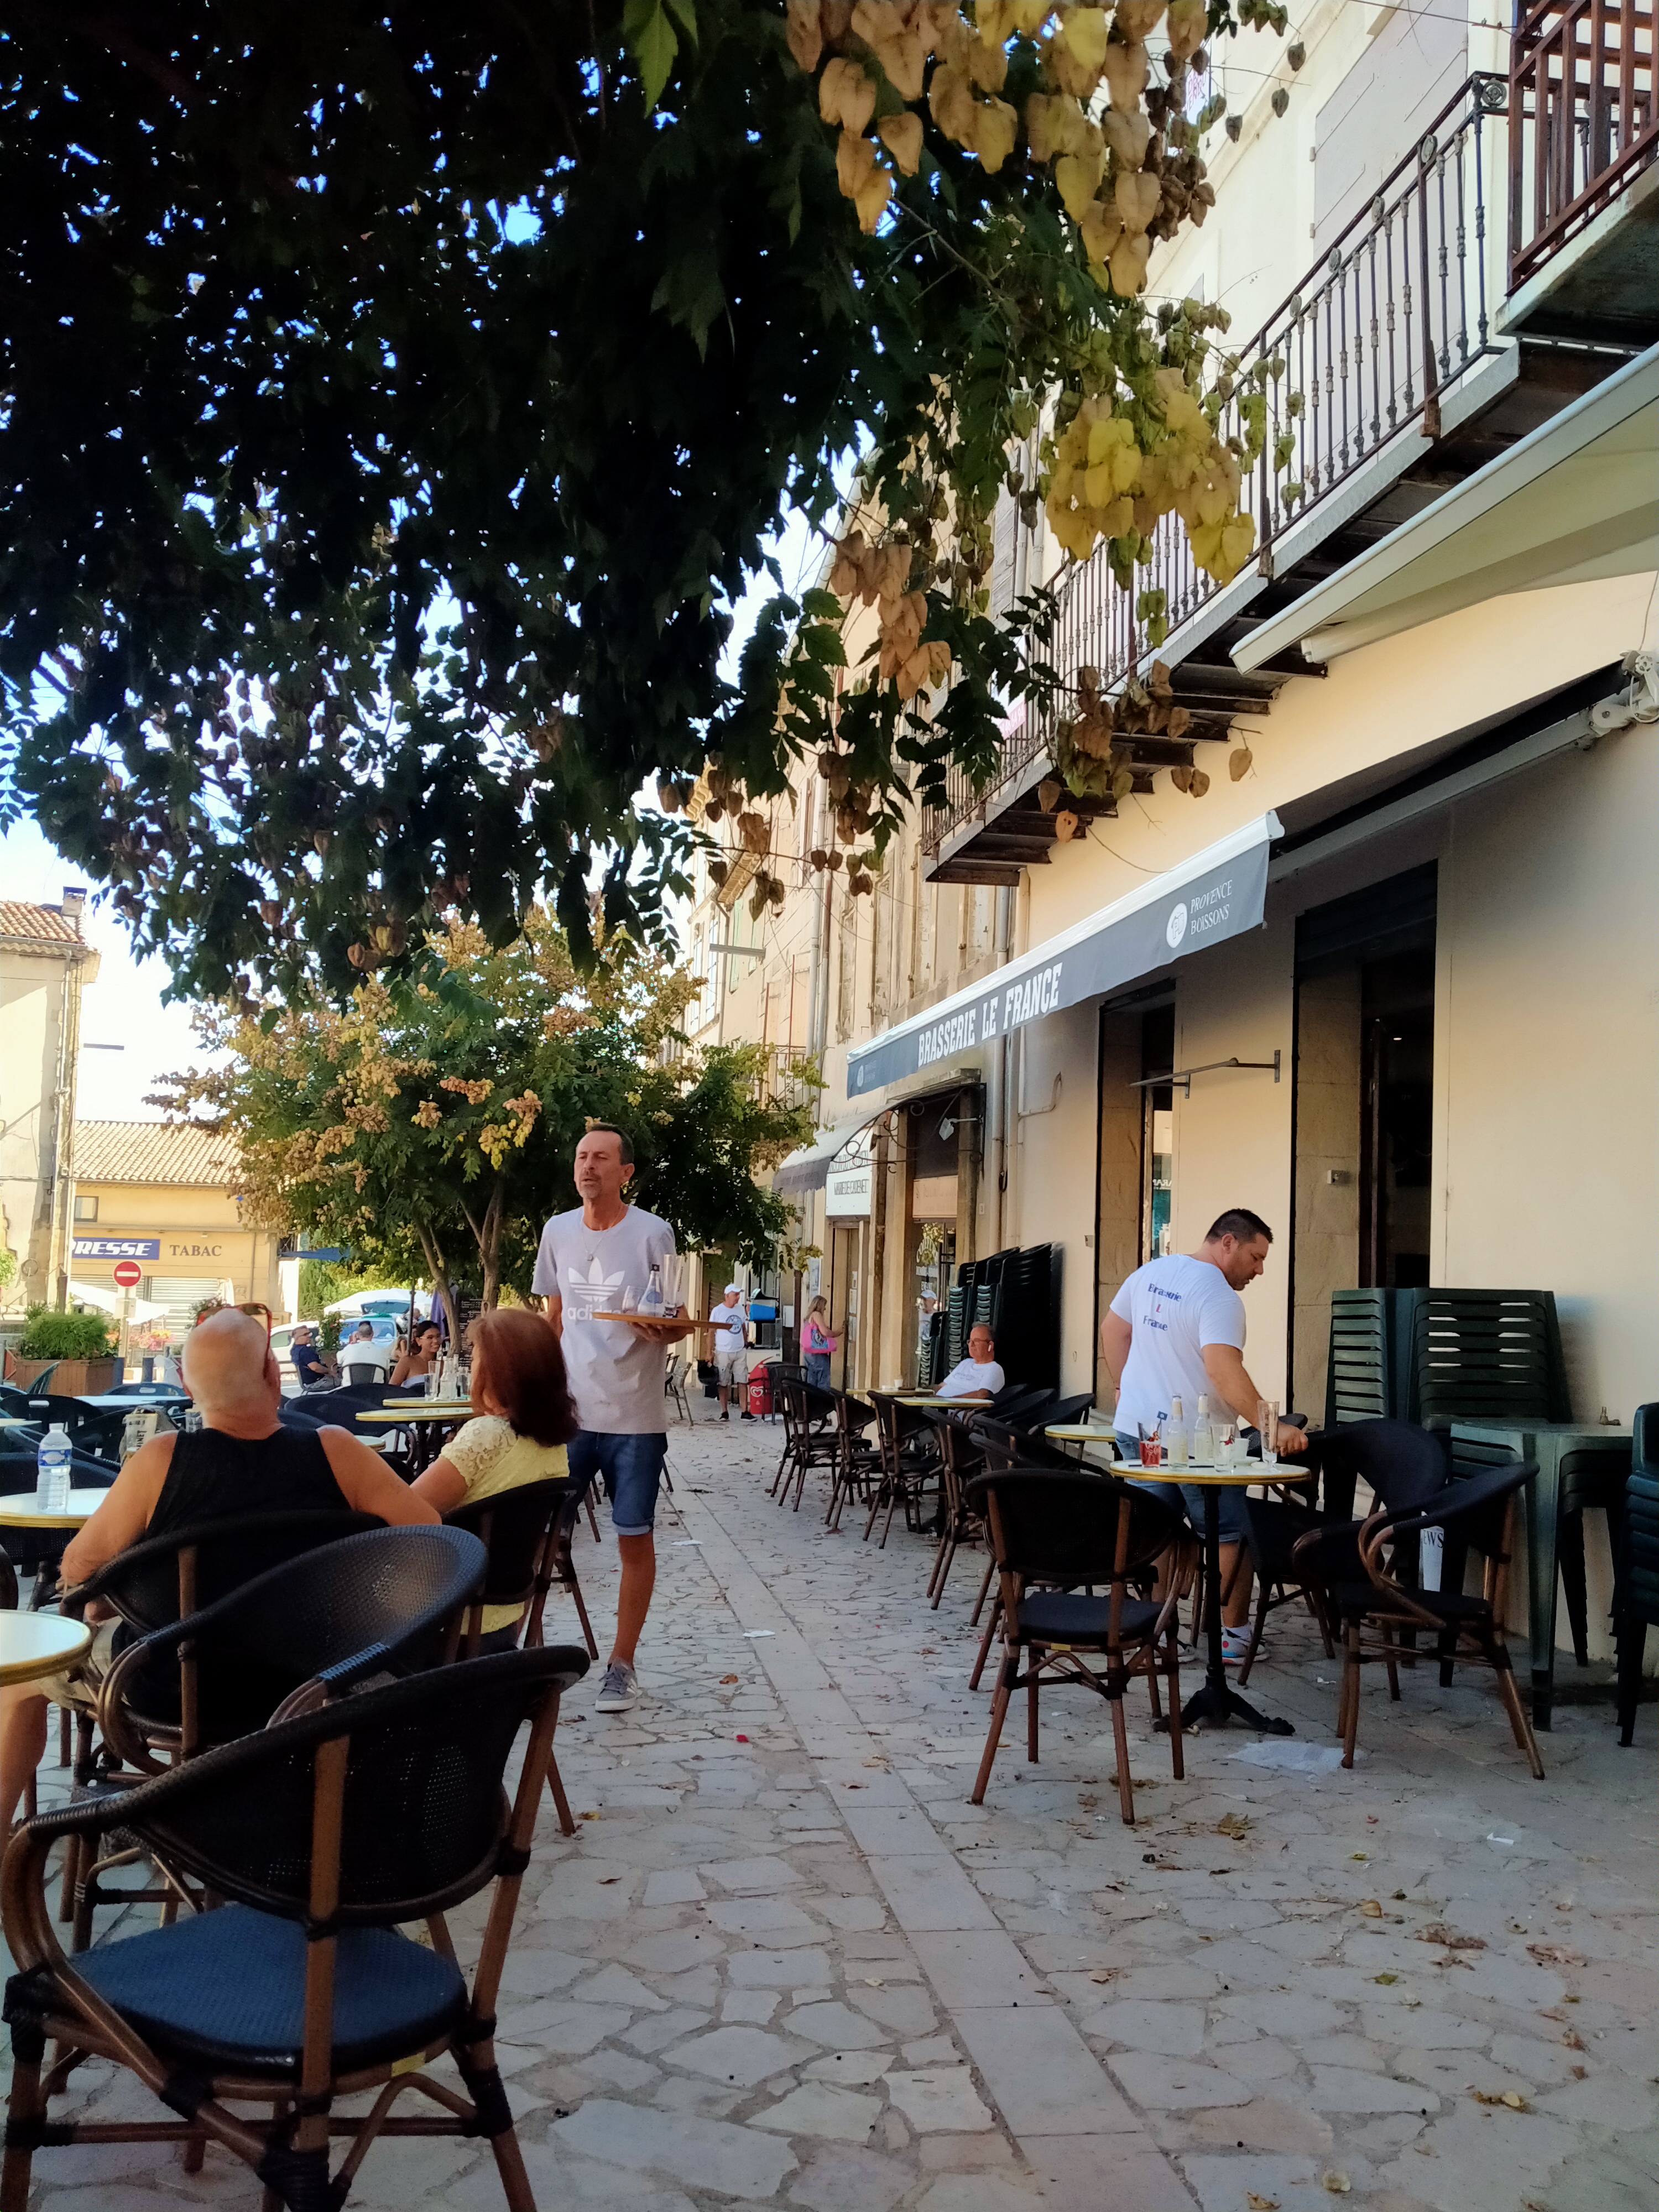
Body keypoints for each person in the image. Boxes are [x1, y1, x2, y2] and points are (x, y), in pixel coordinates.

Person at [0, 1307, 437, 1835]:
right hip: (313, 1687)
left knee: (18, 1681)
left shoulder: (159, 1460)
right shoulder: (338, 1452)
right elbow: (431, 1536)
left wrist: (109, 1598)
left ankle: (7, 1841)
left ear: (186, 1387)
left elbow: (78, 1567)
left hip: (169, 1688)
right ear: (272, 1373)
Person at [1098, 1207, 1307, 1667]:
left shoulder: (1151, 1272)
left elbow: (1113, 1330)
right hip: (1198, 1442)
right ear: (1228, 1242)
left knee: (1158, 1531)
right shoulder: (1218, 1296)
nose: (1259, 1270)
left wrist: (1123, 1386)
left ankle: (1156, 1634)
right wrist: (1272, 1427)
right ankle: (1233, 1638)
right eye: (1255, 1257)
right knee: (1229, 1533)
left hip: (1140, 1428)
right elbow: (1223, 1371)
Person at [533, 1124, 691, 1715]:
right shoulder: (557, 1231)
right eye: (582, 1156)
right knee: (539, 1536)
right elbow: (553, 1318)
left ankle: (621, 1667)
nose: (588, 1166)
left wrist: (662, 1330)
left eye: (601, 1157)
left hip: (635, 1416)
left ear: (625, 1172)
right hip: (571, 1415)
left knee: (633, 1537)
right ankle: (522, 1661)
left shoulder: (652, 1232)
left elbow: (678, 1318)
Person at [409, 1309, 579, 1647]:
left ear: (496, 1372)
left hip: (440, 1622)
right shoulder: (554, 1446)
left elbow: (405, 1512)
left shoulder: (487, 1435)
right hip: (501, 1622)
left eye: (475, 1359)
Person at [936, 1322, 1004, 1402]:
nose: (971, 1345)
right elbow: (941, 1386)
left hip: (954, 1407)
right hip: (937, 1403)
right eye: (970, 1341)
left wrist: (949, 1400)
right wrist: (926, 1392)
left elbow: (983, 1395)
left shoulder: (994, 1369)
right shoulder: (966, 1363)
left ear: (990, 1345)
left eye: (976, 1341)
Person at [713, 1283, 751, 1421]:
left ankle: (744, 1411)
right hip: (723, 1350)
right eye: (736, 1294)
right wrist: (708, 1352)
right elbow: (711, 1330)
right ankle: (724, 1411)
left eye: (738, 1294)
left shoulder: (740, 1309)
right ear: (727, 1296)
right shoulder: (718, 1311)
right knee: (723, 1381)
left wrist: (745, 1342)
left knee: (743, 1380)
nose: (738, 1297)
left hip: (739, 1350)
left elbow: (743, 1327)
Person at [391, 1317, 443, 1387]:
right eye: (430, 1338)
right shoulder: (407, 1362)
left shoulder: (443, 1365)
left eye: (438, 1336)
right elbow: (391, 1389)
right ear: (419, 1341)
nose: (436, 1341)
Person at [801, 1296, 837, 1389]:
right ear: (820, 1305)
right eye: (824, 1306)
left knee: (812, 1379)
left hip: (808, 1353)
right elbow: (825, 1332)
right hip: (818, 1352)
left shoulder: (808, 1317)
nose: (825, 1309)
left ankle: (811, 1398)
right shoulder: (817, 1314)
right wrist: (837, 1333)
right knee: (823, 1380)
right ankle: (822, 1398)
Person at [288, 1323, 330, 1390]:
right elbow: (315, 1368)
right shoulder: (305, 1351)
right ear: (297, 1338)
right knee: (343, 1382)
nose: (308, 1336)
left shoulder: (294, 1350)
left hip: (307, 1382)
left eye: (308, 1334)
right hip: (317, 1382)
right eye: (305, 1335)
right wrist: (329, 1371)